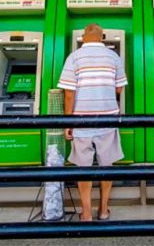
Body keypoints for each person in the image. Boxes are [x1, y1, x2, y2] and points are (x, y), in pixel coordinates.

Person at [58, 23, 127, 221]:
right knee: (107, 167)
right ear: (102, 37)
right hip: (107, 120)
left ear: (82, 37)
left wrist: (68, 123)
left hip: (81, 121)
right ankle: (103, 210)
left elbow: (69, 93)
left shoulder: (74, 57)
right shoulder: (114, 57)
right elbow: (119, 89)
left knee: (83, 169)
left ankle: (86, 213)